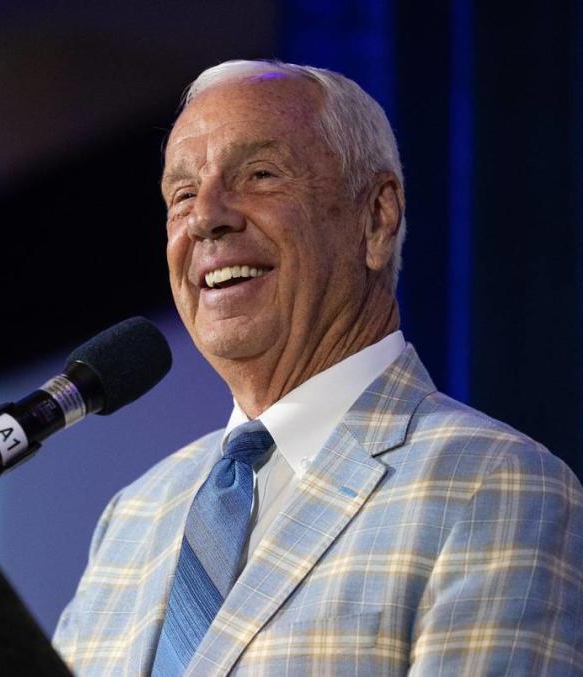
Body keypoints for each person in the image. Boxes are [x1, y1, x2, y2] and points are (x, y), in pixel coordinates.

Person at [52, 59, 583, 675]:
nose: (206, 218)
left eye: (260, 174)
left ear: (377, 218)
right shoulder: (134, 517)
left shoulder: (491, 485)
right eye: (183, 195)